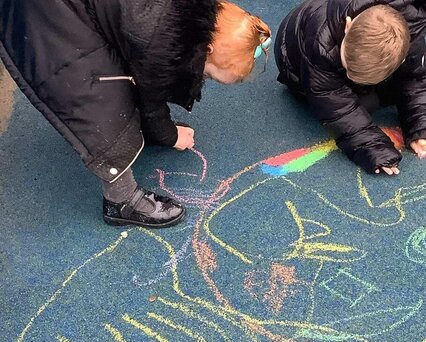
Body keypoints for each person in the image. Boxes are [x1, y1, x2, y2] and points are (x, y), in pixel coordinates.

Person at [0, 0, 271, 227]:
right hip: (48, 18)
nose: (205, 77)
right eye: (209, 74)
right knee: (100, 99)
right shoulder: (162, 40)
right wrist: (169, 135)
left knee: (120, 75)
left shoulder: (187, 20)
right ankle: (121, 200)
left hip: (75, 9)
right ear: (207, 49)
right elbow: (149, 98)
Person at [274, 0, 426, 176]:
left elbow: (418, 79)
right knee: (364, 103)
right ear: (348, 26)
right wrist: (375, 149)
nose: (350, 76)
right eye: (348, 68)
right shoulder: (321, 47)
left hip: (342, 53)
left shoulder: (408, 38)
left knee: (400, 82)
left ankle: (368, 78)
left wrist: (422, 123)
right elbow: (338, 109)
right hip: (295, 61)